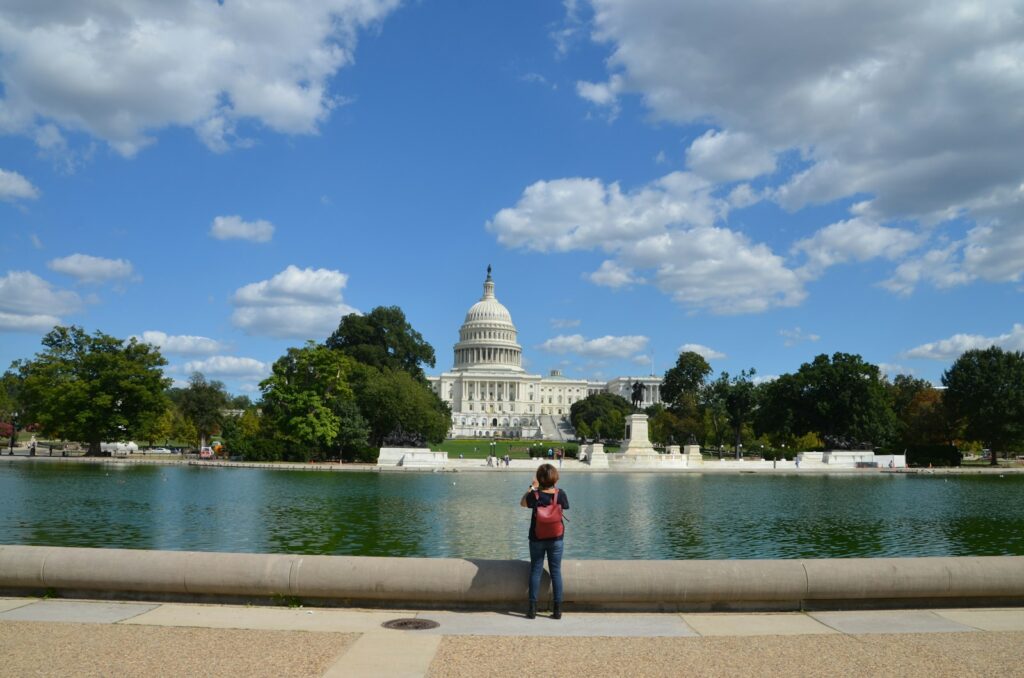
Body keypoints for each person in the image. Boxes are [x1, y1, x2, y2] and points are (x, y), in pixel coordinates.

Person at [520, 463, 569, 620]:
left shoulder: (535, 495)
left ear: (539, 479)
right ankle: (557, 610)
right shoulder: (560, 494)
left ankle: (532, 609)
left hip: (537, 537)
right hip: (556, 538)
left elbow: (522, 503)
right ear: (555, 478)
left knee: (535, 570)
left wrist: (532, 488)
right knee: (556, 572)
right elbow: (565, 507)